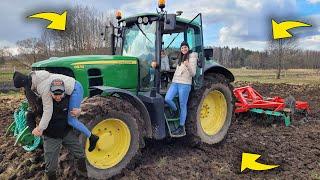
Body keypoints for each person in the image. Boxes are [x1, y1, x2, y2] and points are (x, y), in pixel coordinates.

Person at [13, 70, 99, 152]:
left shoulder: (43, 87)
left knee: (71, 120)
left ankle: (92, 137)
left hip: (75, 89)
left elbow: (48, 110)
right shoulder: (35, 77)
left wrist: (40, 128)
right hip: (65, 90)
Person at [29, 79, 87, 179]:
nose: (58, 97)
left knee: (81, 155)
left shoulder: (69, 98)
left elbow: (79, 107)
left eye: (60, 94)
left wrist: (79, 111)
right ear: (50, 92)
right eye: (55, 94)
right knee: (51, 168)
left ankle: (83, 175)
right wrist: (32, 129)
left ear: (64, 91)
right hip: (51, 137)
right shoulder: (42, 101)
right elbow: (29, 115)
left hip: (66, 133)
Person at [164, 41, 198, 135]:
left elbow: (193, 73)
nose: (184, 49)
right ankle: (175, 110)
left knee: (183, 105)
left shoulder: (192, 57)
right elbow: (176, 68)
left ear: (188, 48)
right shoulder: (180, 57)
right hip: (175, 82)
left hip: (185, 84)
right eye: (182, 47)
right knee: (167, 98)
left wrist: (187, 65)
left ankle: (181, 126)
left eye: (185, 47)